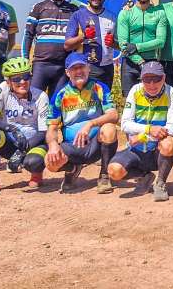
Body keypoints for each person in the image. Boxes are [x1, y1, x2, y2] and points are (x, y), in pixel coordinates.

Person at [45, 53, 119, 194]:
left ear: (88, 68)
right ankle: (72, 169)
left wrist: (91, 124)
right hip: (72, 147)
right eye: (74, 69)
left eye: (82, 67)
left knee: (109, 128)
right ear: (67, 72)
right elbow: (52, 127)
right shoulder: (60, 95)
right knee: (50, 163)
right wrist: (53, 145)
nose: (79, 71)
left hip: (96, 144)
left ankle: (104, 175)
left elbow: (113, 115)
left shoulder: (99, 87)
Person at [0, 57, 50, 196]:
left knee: (32, 162)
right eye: (16, 79)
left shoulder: (41, 96)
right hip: (11, 140)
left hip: (35, 142)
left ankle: (36, 173)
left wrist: (22, 152)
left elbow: (43, 132)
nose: (22, 82)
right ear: (8, 81)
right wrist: (12, 129)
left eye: (26, 76)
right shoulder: (3, 89)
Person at [107, 61, 173, 201]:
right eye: (147, 79)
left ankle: (160, 183)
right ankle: (144, 177)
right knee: (113, 171)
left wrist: (143, 137)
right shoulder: (135, 91)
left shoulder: (171, 93)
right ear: (141, 79)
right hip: (135, 149)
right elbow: (125, 124)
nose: (152, 84)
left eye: (156, 79)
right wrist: (148, 130)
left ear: (163, 78)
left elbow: (172, 128)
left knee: (169, 142)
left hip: (156, 151)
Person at [23, 0, 79, 98]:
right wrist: (25, 60)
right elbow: (28, 35)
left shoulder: (74, 9)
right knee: (33, 102)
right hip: (41, 65)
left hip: (63, 66)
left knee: (57, 106)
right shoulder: (39, 7)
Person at [116, 0, 169, 96]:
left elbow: (160, 42)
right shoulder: (125, 14)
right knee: (129, 102)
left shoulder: (160, 13)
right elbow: (124, 45)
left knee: (152, 102)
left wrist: (136, 46)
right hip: (130, 63)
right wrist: (140, 62)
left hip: (152, 61)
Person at [64, 0, 117, 85]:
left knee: (105, 101)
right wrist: (83, 36)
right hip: (86, 67)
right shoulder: (77, 15)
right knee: (88, 101)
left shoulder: (112, 16)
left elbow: (120, 46)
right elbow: (67, 46)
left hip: (107, 68)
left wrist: (113, 43)